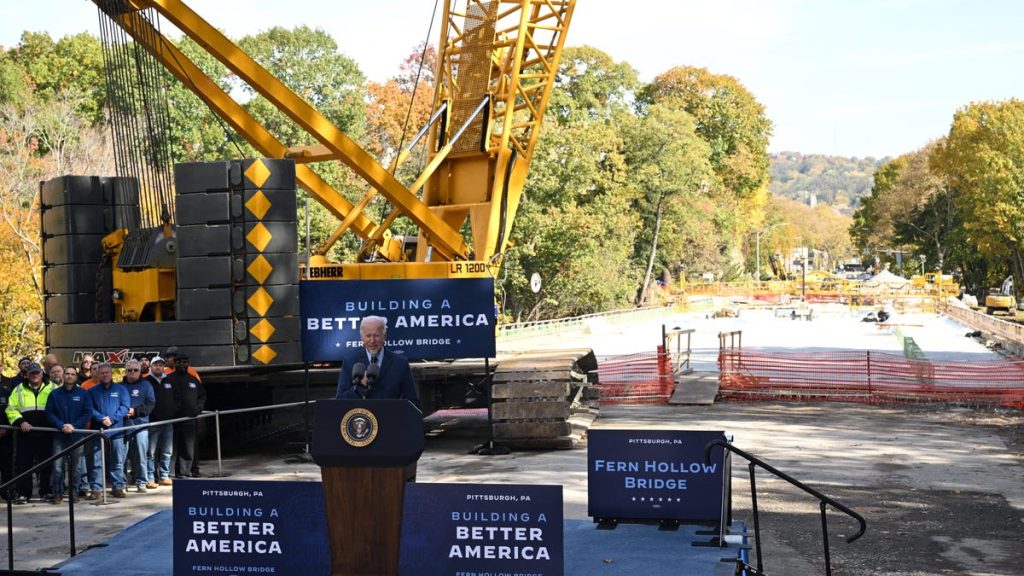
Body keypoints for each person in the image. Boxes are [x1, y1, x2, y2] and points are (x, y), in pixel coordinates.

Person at [335, 316, 420, 408]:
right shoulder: (350, 361)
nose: (372, 340)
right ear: (361, 338)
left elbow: (413, 401)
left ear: (384, 336)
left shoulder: (400, 362)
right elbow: (340, 399)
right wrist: (361, 386)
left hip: (391, 419)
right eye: (368, 336)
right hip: (361, 419)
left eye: (376, 335)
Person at [5, 363, 56, 503]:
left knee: (47, 464)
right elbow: (10, 409)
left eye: (37, 373)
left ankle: (46, 492)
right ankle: (24, 493)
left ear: (41, 373)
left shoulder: (52, 387)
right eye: (32, 373)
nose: (35, 375)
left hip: (46, 433)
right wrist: (20, 422)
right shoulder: (19, 389)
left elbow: (59, 406)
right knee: (23, 464)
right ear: (27, 375)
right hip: (25, 433)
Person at [44, 364, 91, 504]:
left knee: (76, 468)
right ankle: (57, 493)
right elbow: (49, 413)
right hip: (59, 436)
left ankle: (74, 492)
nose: (69, 376)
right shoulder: (55, 394)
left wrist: (74, 426)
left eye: (72, 374)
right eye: (67, 374)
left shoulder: (83, 393)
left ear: (76, 377)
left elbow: (87, 412)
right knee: (57, 467)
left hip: (76, 436)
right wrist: (61, 426)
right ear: (63, 376)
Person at [86, 363, 130, 498]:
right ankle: (96, 489)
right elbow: (89, 408)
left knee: (117, 461)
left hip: (117, 431)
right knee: (97, 461)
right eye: (102, 373)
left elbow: (125, 406)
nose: (105, 375)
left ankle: (117, 487)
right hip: (99, 431)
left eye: (107, 372)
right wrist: (100, 418)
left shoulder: (121, 389)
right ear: (98, 374)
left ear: (112, 374)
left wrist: (112, 418)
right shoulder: (92, 391)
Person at [167, 352, 205, 478]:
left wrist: (198, 408)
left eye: (184, 362)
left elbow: (202, 396)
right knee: (170, 449)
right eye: (179, 362)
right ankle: (169, 473)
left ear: (188, 363)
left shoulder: (193, 380)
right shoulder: (168, 379)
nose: (182, 364)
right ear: (175, 364)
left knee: (188, 449)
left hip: (190, 419)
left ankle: (184, 472)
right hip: (173, 420)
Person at [122, 360, 155, 493]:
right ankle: (122, 483)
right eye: (130, 370)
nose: (133, 372)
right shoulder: (119, 386)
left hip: (141, 425)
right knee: (122, 457)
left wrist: (135, 412)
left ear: (140, 371)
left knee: (141, 455)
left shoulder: (146, 385)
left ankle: (141, 481)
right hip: (123, 426)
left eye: (136, 370)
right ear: (125, 371)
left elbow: (151, 404)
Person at [146, 357, 177, 487]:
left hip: (168, 422)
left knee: (167, 451)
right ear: (150, 367)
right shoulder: (146, 382)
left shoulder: (169, 380)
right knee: (151, 452)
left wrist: (173, 412)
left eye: (160, 365)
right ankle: (150, 477)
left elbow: (177, 397)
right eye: (155, 365)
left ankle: (164, 475)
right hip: (153, 423)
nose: (158, 367)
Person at [0, 378, 13, 500]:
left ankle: (6, 492)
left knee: (6, 466)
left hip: (5, 435)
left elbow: (11, 411)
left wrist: (7, 429)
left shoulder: (6, 391)